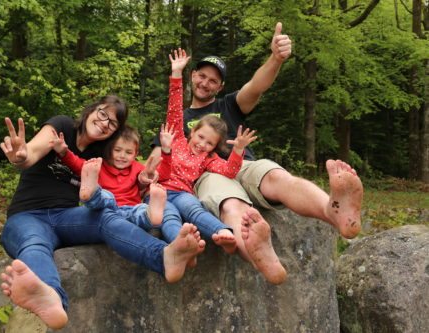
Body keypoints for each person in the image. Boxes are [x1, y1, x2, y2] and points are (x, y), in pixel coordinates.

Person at [149, 22, 363, 285]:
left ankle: (333, 210)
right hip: (205, 175)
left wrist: (275, 59)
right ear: (192, 75)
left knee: (276, 176)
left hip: (243, 165)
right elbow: (160, 156)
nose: (206, 83)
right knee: (231, 204)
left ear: (220, 86)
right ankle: (261, 257)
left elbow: (256, 86)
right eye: (202, 76)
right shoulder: (179, 122)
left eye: (213, 80)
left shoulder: (228, 104)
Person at [0, 96, 205, 329]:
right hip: (27, 216)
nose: (105, 123)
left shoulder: (101, 152)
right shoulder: (63, 126)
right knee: (34, 243)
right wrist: (21, 157)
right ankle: (51, 297)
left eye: (113, 123)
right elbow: (32, 152)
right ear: (90, 111)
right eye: (103, 113)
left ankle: (165, 257)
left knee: (106, 217)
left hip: (67, 217)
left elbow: (130, 166)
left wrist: (147, 176)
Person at [145, 49, 257, 255]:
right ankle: (181, 246)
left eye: (209, 143)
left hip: (181, 194)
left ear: (214, 147)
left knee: (194, 209)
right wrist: (176, 74)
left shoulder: (208, 160)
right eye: (200, 137)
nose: (202, 144)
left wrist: (238, 150)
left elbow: (230, 171)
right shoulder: (177, 137)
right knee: (167, 217)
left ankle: (225, 233)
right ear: (192, 131)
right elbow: (174, 108)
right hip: (158, 191)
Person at [49, 124, 174, 229]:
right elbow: (76, 163)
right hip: (106, 211)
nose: (122, 156)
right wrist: (63, 152)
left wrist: (166, 150)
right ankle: (90, 191)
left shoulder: (137, 168)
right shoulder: (98, 166)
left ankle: (152, 215)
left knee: (141, 210)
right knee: (105, 196)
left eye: (128, 152)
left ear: (136, 153)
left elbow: (163, 175)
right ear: (109, 150)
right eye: (117, 150)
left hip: (131, 210)